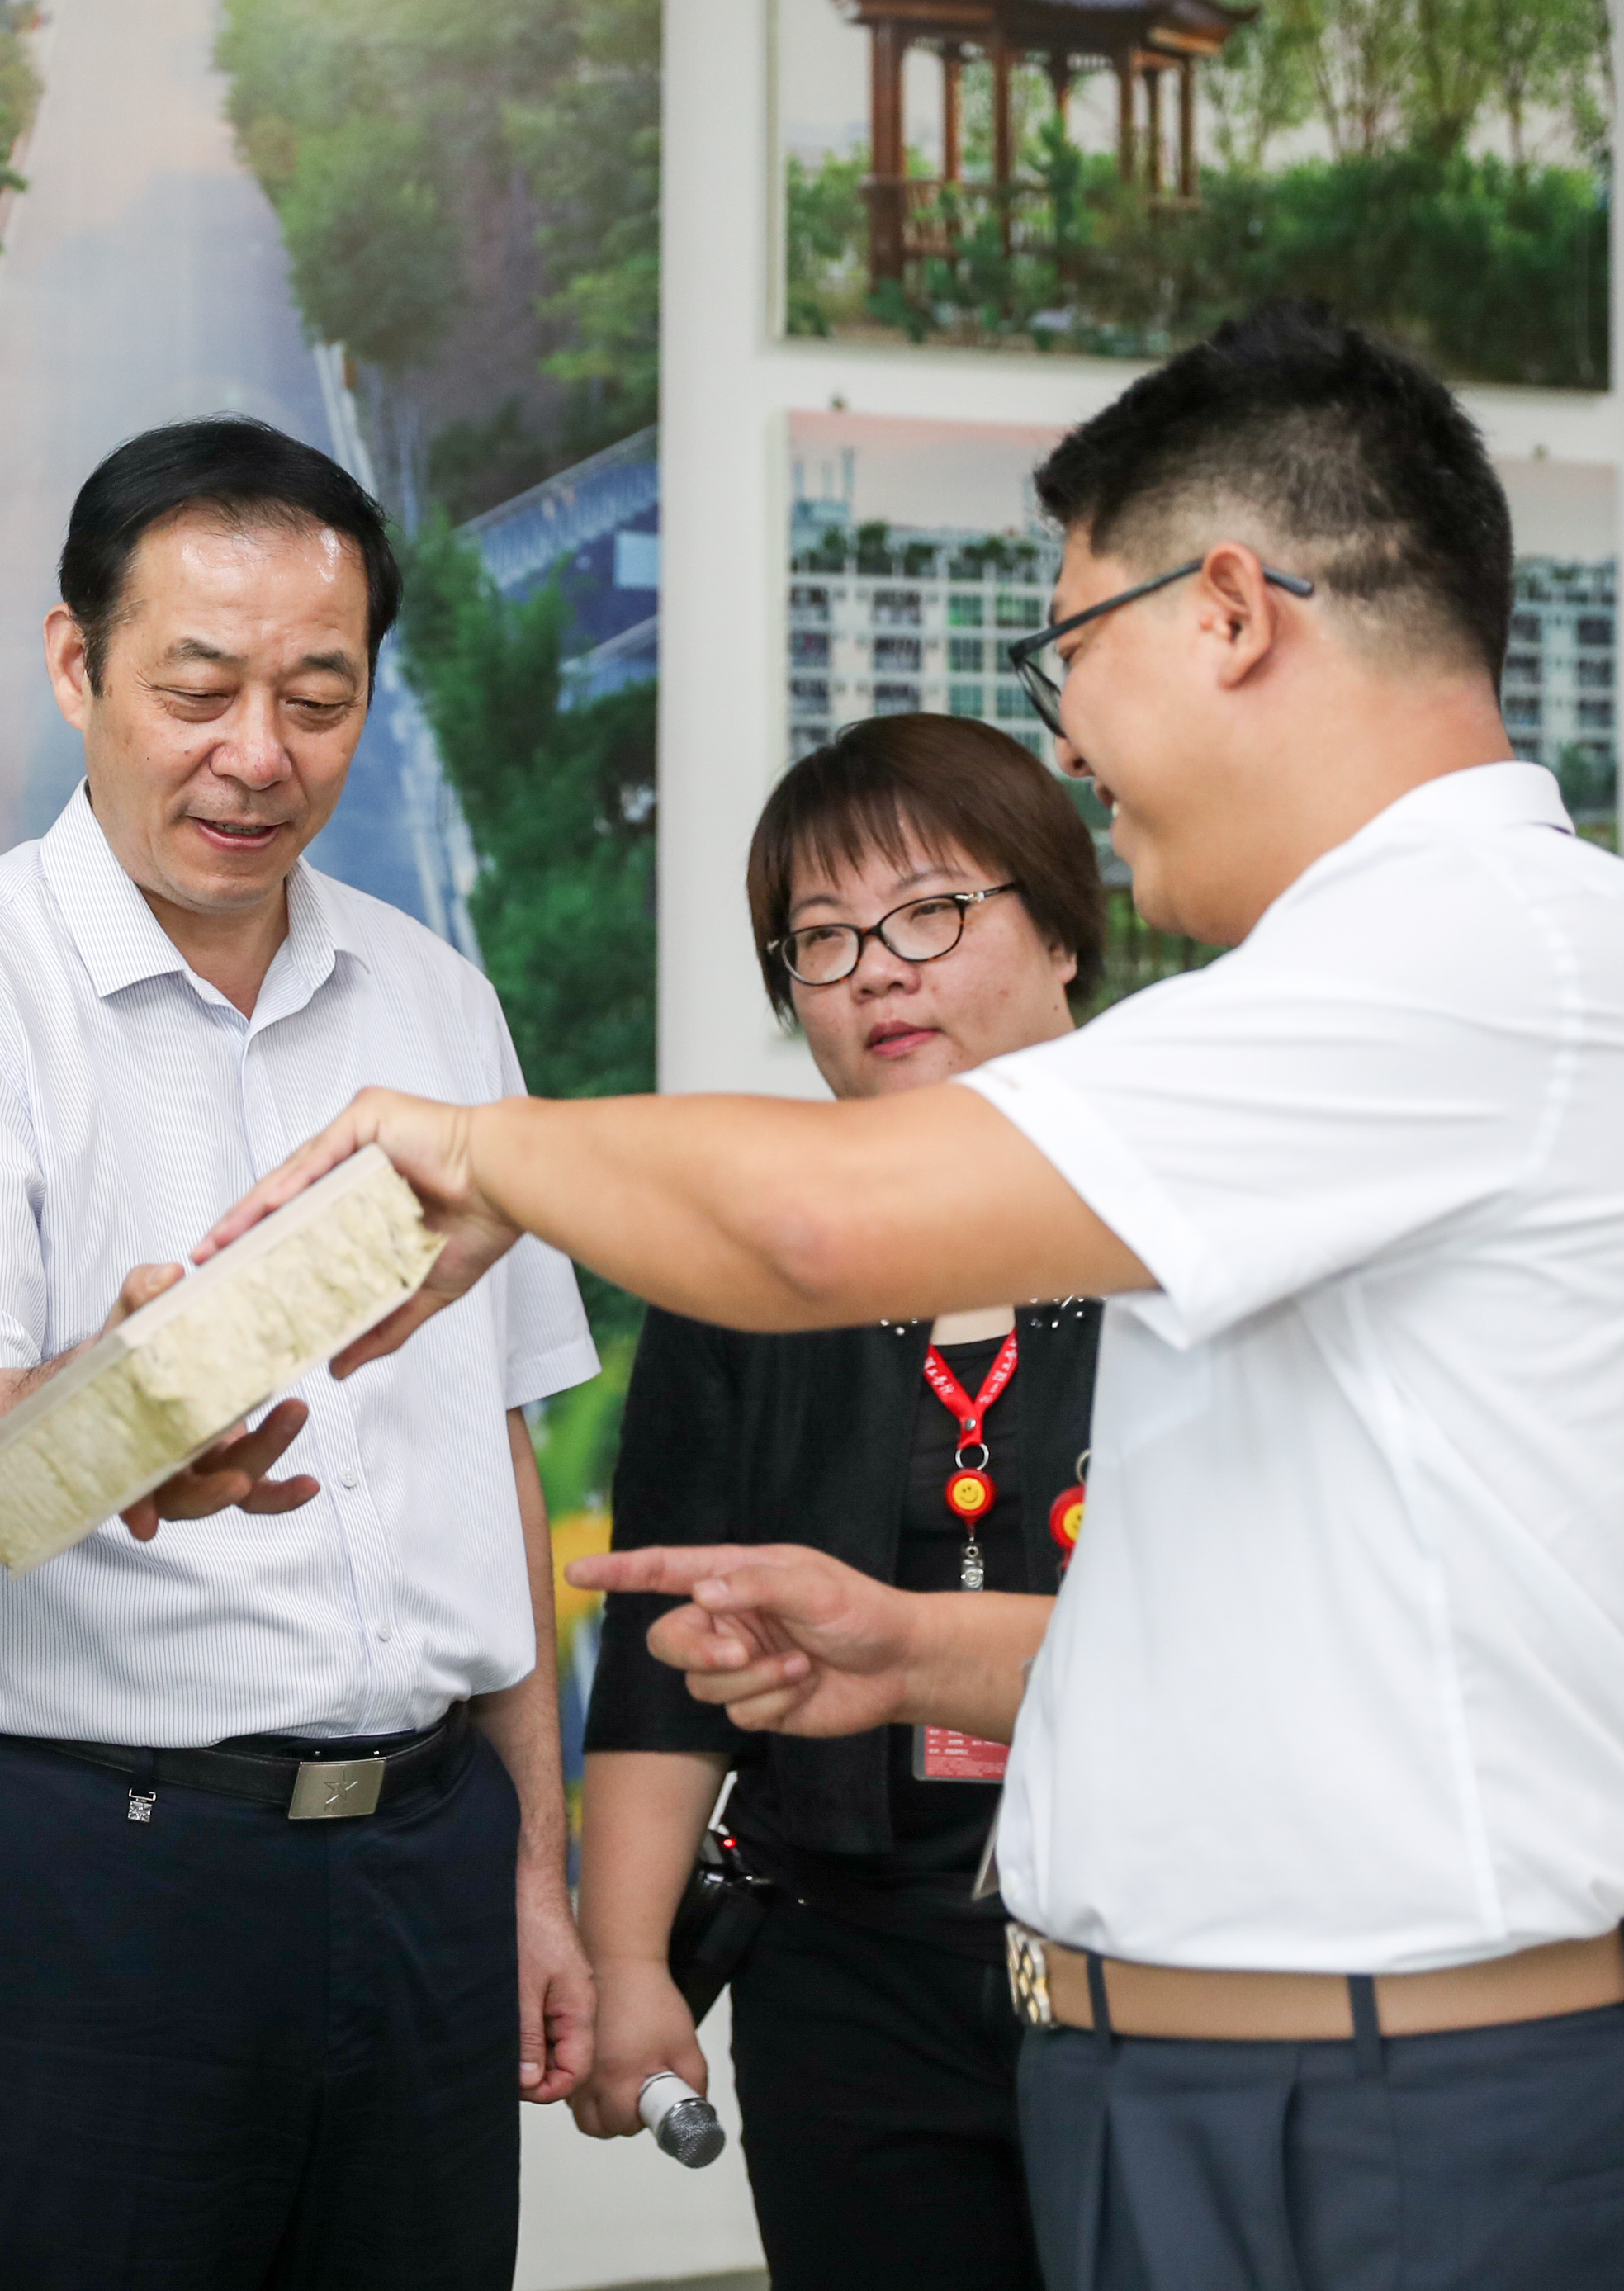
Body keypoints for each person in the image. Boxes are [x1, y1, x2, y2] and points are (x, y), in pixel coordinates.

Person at [212, 301, 1624, 2291]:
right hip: (1237, 2099)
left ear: (1227, 611)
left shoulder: (1468, 958)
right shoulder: (1406, 976)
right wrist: (907, 1650)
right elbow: (1337, 1631)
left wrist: (474, 1151)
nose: (1066, 739)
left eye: (1068, 651)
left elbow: (820, 1226)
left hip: (1399, 2126)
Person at [0, 414, 599, 2291]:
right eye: (197, 690)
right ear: (76, 666)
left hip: (423, 1865)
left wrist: (532, 1876)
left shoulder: (435, 998)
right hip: (92, 1888)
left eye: (317, 699)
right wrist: (110, 1413)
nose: (258, 754)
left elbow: (491, 1450)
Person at [575, 716, 1102, 2291]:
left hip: (1159, 1952)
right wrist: (625, 1961)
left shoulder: (1191, 1230)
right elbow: (664, 1658)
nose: (876, 973)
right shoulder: (739, 1268)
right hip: (843, 1966)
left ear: (1061, 930)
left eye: (929, 912)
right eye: (821, 940)